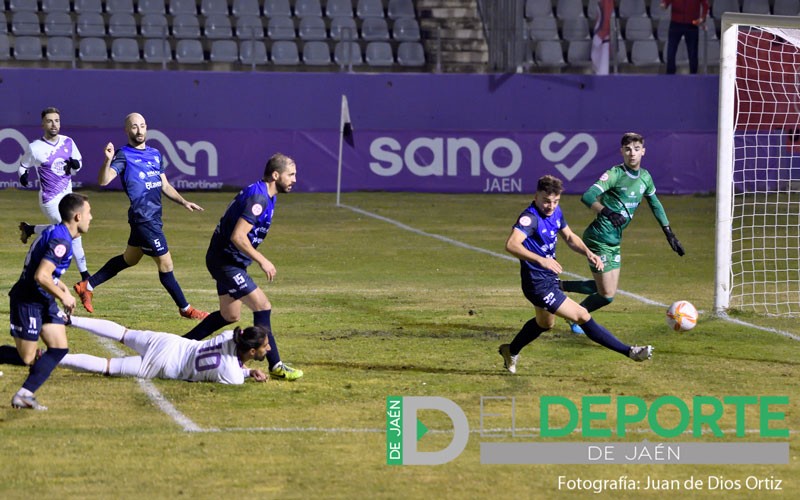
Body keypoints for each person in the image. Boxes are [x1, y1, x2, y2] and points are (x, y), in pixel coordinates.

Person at [497, 175, 653, 375]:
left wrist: (589, 252)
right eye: (546, 200)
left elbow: (569, 237)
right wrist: (540, 259)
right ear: (536, 196)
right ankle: (630, 351)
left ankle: (510, 350)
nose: (550, 206)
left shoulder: (555, 212)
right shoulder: (530, 218)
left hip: (548, 279)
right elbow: (511, 244)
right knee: (582, 315)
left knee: (545, 323)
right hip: (537, 284)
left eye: (555, 201)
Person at [72, 112, 208, 320]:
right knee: (166, 265)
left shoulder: (155, 154)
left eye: (142, 125)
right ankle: (186, 309)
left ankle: (86, 285)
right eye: (134, 126)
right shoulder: (123, 155)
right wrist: (107, 161)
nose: (139, 130)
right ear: (127, 130)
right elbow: (104, 180)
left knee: (130, 259)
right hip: (143, 218)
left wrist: (184, 201)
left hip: (152, 217)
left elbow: (165, 185)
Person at [182, 153, 303, 381]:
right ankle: (275, 364)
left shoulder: (266, 194)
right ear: (276, 175)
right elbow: (238, 236)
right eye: (291, 174)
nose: (295, 179)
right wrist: (262, 260)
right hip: (226, 262)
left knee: (230, 314)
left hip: (227, 259)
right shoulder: (259, 198)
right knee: (262, 306)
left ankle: (182, 343)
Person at [560, 133, 684, 335]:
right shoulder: (615, 174)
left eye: (636, 149)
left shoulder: (645, 177)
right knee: (607, 294)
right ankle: (575, 315)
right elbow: (588, 196)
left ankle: (562, 289)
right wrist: (607, 211)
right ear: (622, 152)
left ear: (643, 151)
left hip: (614, 239)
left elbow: (655, 204)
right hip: (599, 237)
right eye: (627, 149)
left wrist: (668, 232)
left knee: (607, 293)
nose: (632, 153)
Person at [3, 193, 93, 410]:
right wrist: (65, 295)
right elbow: (41, 276)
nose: (92, 218)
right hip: (28, 300)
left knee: (59, 348)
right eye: (89, 213)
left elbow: (48, 275)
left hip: (43, 299)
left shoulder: (57, 232)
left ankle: (25, 394)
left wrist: (61, 288)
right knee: (27, 357)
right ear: (78, 217)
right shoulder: (61, 240)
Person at [59, 316, 269, 384]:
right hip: (167, 366)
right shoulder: (234, 377)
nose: (268, 348)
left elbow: (229, 360)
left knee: (122, 333)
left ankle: (69, 319)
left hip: (167, 342)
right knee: (108, 366)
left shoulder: (228, 337)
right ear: (251, 351)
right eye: (265, 345)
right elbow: (228, 369)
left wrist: (248, 371)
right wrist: (246, 373)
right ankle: (51, 358)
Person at [17, 107, 91, 282]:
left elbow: (78, 163)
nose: (53, 124)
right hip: (49, 199)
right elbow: (23, 165)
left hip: (68, 196)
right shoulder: (35, 148)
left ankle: (30, 229)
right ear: (43, 124)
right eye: (49, 121)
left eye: (56, 120)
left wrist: (75, 164)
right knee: (73, 230)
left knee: (63, 229)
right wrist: (23, 176)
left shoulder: (68, 142)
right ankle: (85, 277)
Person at [661, 0, 710, 75]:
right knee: (671, 52)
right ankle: (670, 76)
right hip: (675, 24)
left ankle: (693, 76)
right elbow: (665, 3)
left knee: (693, 53)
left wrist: (702, 18)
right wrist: (664, 4)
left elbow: (705, 5)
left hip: (692, 25)